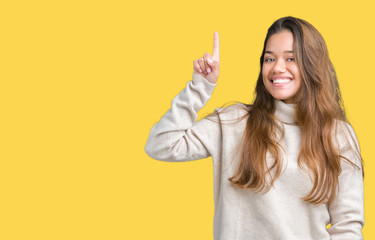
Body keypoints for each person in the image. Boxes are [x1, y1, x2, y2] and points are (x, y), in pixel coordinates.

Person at [145, 16, 364, 239]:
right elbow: (161, 144)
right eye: (269, 59)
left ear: (312, 64)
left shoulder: (337, 135)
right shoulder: (234, 122)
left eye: (291, 58)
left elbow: (348, 226)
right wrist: (200, 87)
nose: (278, 68)